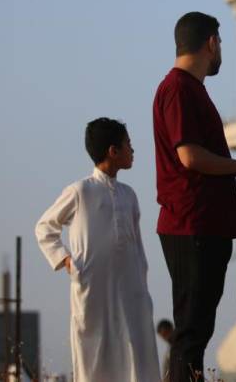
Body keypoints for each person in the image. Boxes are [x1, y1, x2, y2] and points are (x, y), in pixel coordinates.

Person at [153, 11, 236, 382]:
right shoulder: (179, 89)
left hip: (203, 224)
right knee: (191, 331)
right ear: (212, 43)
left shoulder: (190, 89)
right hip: (192, 223)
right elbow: (189, 156)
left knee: (197, 329)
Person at [34, 118, 161, 381]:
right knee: (93, 352)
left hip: (130, 289)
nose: (133, 150)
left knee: (136, 348)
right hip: (92, 288)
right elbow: (45, 228)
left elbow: (137, 247)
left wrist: (143, 285)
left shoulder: (129, 195)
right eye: (128, 144)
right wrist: (66, 260)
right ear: (113, 151)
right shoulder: (80, 191)